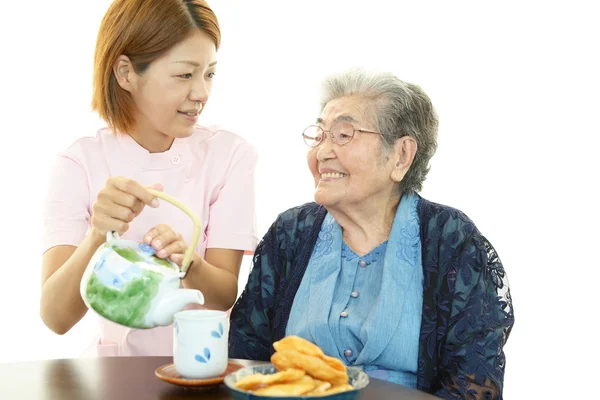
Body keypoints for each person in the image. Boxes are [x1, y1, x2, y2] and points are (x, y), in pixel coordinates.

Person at [229, 68, 514, 399]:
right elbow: (245, 359)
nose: (322, 152)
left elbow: (474, 381)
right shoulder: (290, 233)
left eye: (344, 134)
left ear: (401, 155)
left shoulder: (451, 239)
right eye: (320, 135)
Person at [40, 0, 258, 357]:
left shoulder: (230, 156)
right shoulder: (79, 163)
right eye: (185, 74)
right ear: (125, 73)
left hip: (203, 365)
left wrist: (187, 260)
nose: (201, 93)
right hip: (116, 374)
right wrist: (98, 232)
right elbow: (55, 317)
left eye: (209, 73)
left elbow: (222, 295)